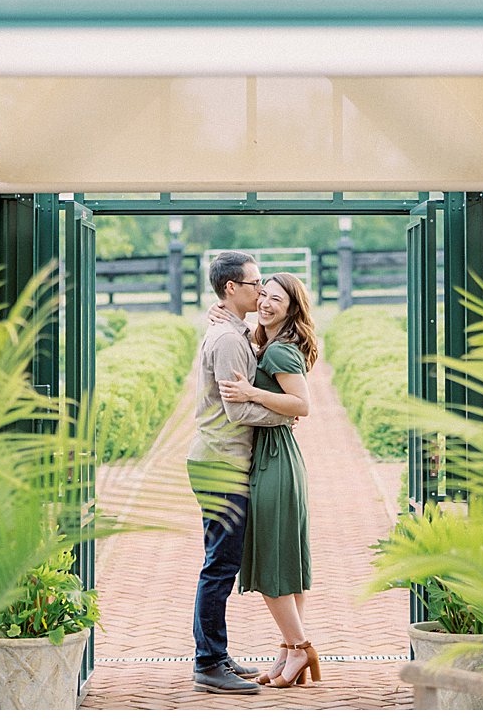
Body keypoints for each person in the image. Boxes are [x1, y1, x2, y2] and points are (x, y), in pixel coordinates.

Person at [187, 251, 298, 695]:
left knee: (220, 563)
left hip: (220, 460)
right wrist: (285, 416)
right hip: (222, 463)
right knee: (220, 566)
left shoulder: (231, 330)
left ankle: (215, 654)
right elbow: (237, 409)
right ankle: (208, 663)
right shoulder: (229, 337)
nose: (261, 291)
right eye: (254, 284)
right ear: (231, 288)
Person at [217, 272, 321, 689]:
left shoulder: (279, 353)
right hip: (278, 456)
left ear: (292, 307)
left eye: (276, 299)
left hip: (274, 461)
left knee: (271, 564)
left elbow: (302, 405)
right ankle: (287, 652)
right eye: (263, 295)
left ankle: (301, 648)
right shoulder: (270, 345)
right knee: (286, 562)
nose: (265, 302)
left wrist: (252, 394)